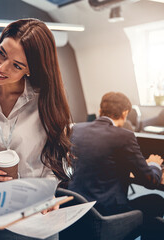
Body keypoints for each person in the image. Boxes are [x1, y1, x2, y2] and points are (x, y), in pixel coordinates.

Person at [0, 18, 73, 240]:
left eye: (17, 65)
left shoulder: (45, 101)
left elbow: (56, 158)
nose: (1, 67)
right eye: (1, 53)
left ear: (30, 70)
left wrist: (48, 194)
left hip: (38, 213)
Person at [68, 92, 164, 239]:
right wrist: (153, 163)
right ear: (125, 113)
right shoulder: (124, 136)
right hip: (105, 213)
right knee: (156, 201)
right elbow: (150, 181)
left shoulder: (76, 129)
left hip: (77, 208)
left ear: (100, 111)